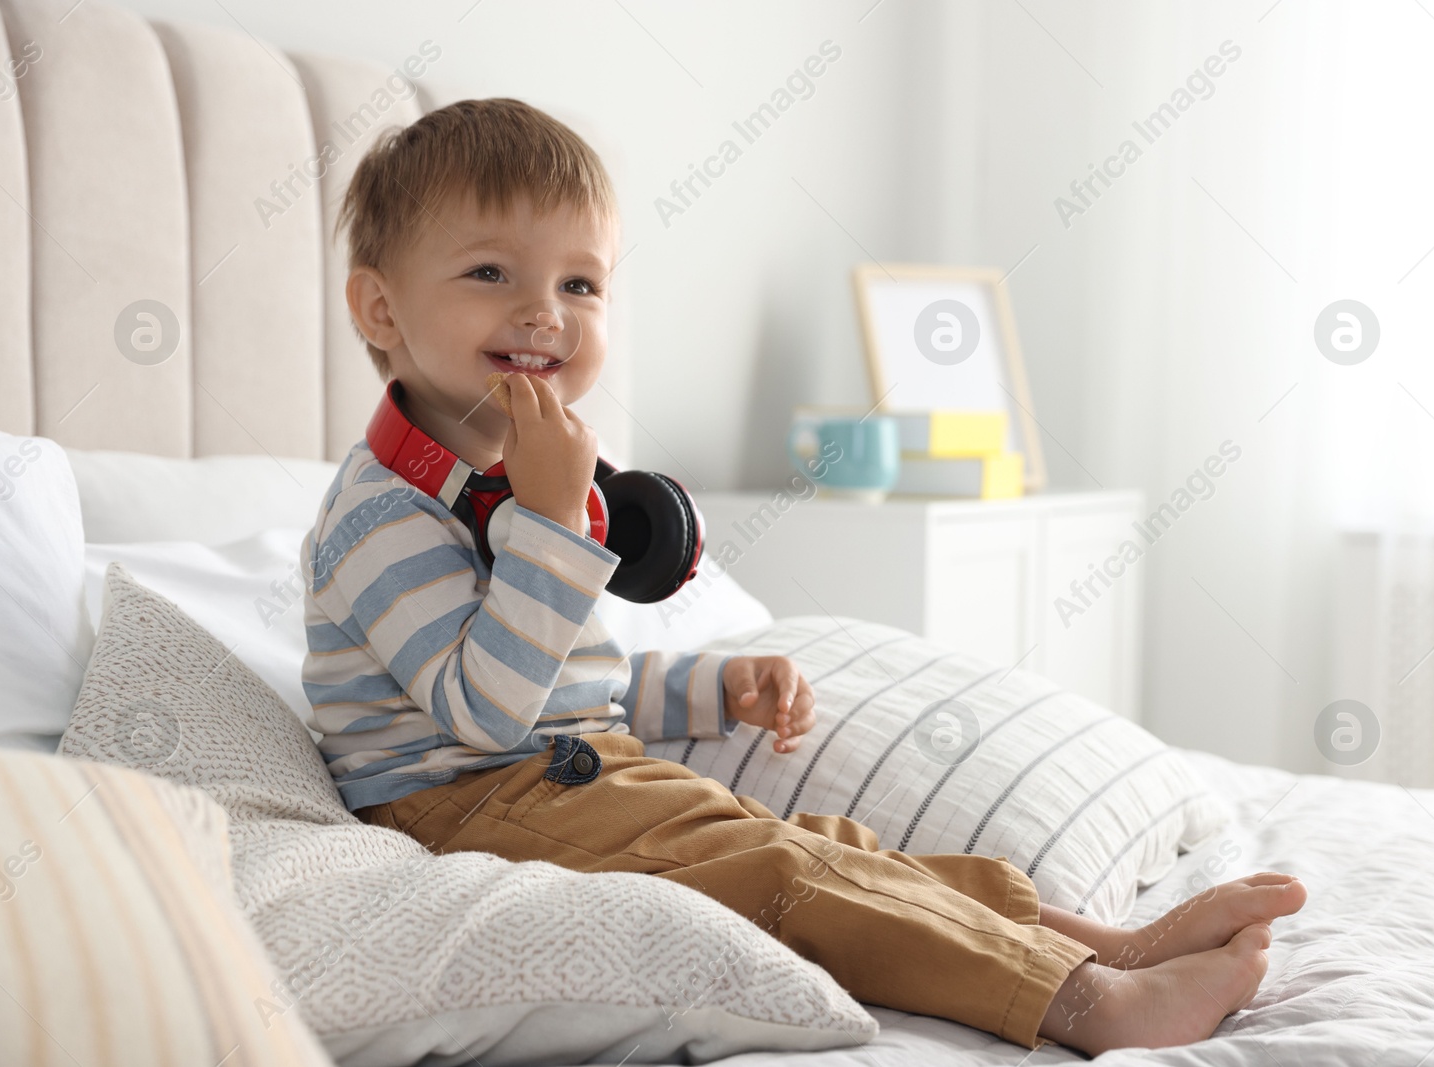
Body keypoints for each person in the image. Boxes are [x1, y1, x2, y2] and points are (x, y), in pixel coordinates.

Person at [300, 97, 1306, 1053]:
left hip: (567, 771)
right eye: (489, 271)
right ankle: (1088, 1003)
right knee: (781, 870)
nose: (544, 313)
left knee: (828, 841)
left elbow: (571, 680)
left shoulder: (513, 479)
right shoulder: (382, 514)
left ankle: (1097, 939)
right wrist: (556, 519)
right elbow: (488, 710)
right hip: (464, 804)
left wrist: (710, 686)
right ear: (380, 308)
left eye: (580, 284)